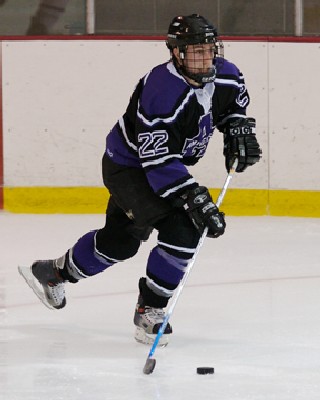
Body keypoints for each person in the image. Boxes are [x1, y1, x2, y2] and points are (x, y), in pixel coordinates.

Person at [19, 14, 262, 347]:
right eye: (195, 52)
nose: (205, 59)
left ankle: (53, 273)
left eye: (209, 50)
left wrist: (237, 131)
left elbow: (233, 107)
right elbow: (157, 161)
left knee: (120, 242)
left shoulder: (228, 73)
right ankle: (151, 309)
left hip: (162, 165)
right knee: (185, 228)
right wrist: (193, 196)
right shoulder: (162, 90)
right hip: (131, 167)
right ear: (176, 53)